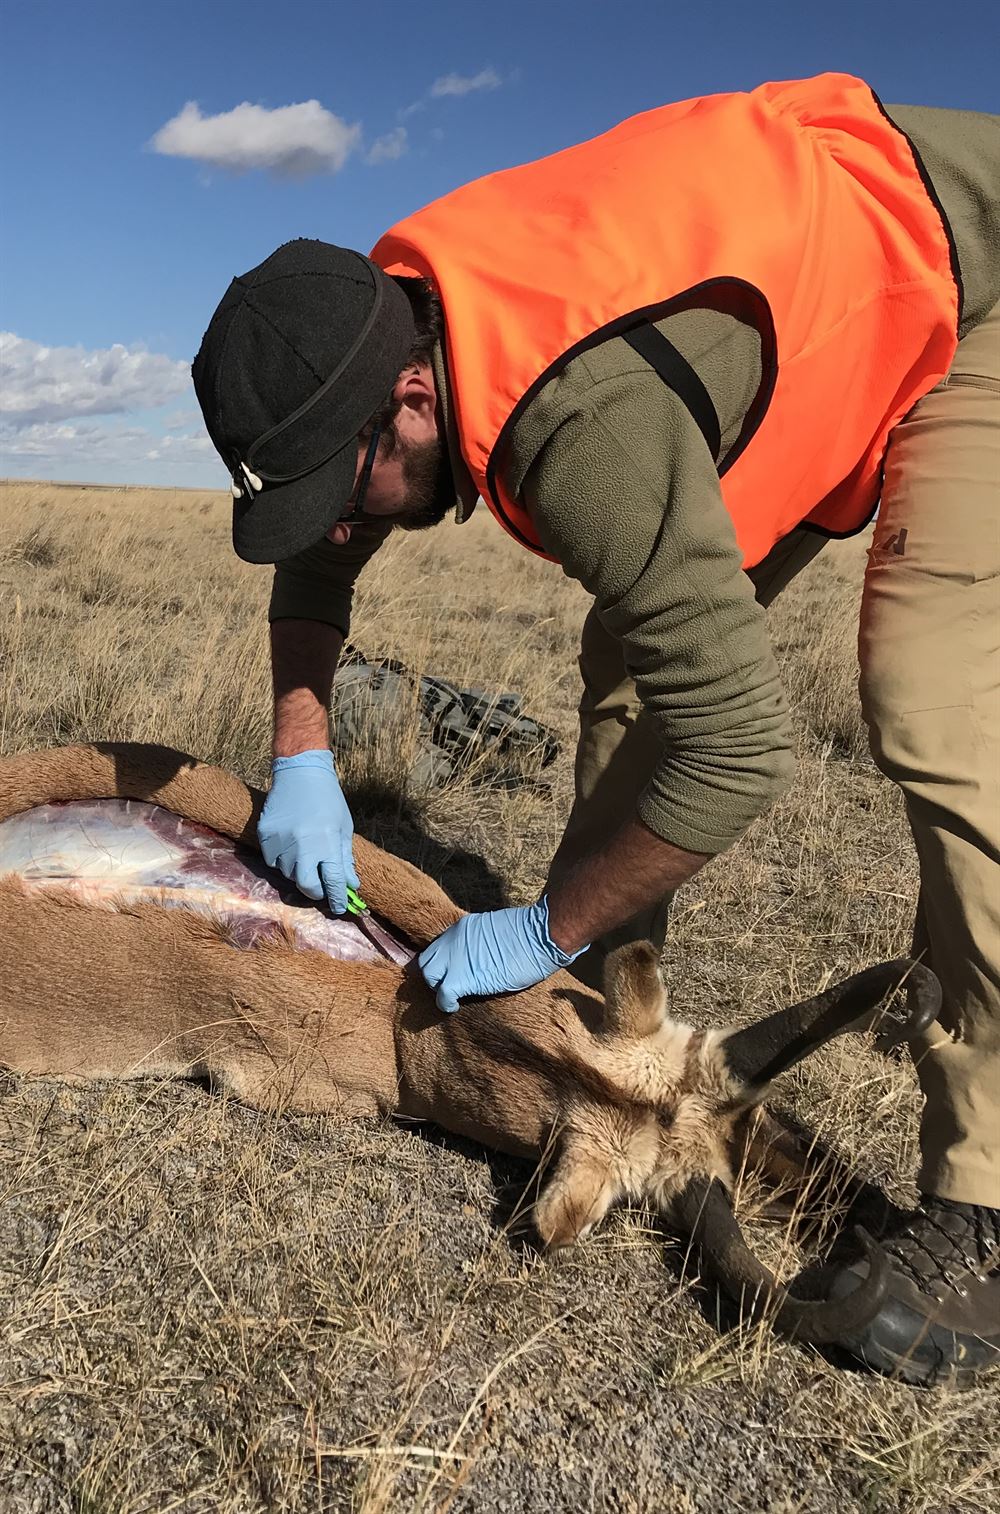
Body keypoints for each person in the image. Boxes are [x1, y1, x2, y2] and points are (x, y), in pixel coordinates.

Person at [192, 72, 999, 1386]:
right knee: (629, 653)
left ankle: (985, 1218)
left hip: (968, 283)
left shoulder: (579, 426)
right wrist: (299, 757)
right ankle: (618, 1029)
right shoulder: (388, 323)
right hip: (833, 324)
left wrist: (545, 920)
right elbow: (326, 547)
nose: (334, 532)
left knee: (938, 702)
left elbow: (741, 744)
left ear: (407, 400)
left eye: (339, 495)